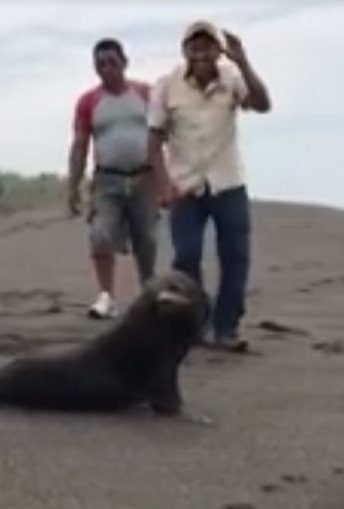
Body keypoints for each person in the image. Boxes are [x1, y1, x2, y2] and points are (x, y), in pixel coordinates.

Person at [147, 20, 272, 352]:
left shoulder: (232, 80)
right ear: (184, 50)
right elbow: (154, 140)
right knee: (186, 257)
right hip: (185, 187)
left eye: (207, 46)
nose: (200, 52)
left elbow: (262, 104)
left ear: (219, 51)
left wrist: (243, 61)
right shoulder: (166, 86)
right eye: (194, 46)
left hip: (228, 183)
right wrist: (163, 185)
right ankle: (196, 324)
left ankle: (226, 327)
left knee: (235, 258)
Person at [67, 37, 158, 319]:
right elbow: (80, 144)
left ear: (124, 63)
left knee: (147, 239)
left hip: (144, 177)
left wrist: (169, 179)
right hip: (107, 179)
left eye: (112, 63)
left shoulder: (146, 94)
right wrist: (73, 186)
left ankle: (149, 293)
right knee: (100, 234)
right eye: (100, 64)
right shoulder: (89, 101)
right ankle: (106, 296)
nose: (106, 69)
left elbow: (163, 135)